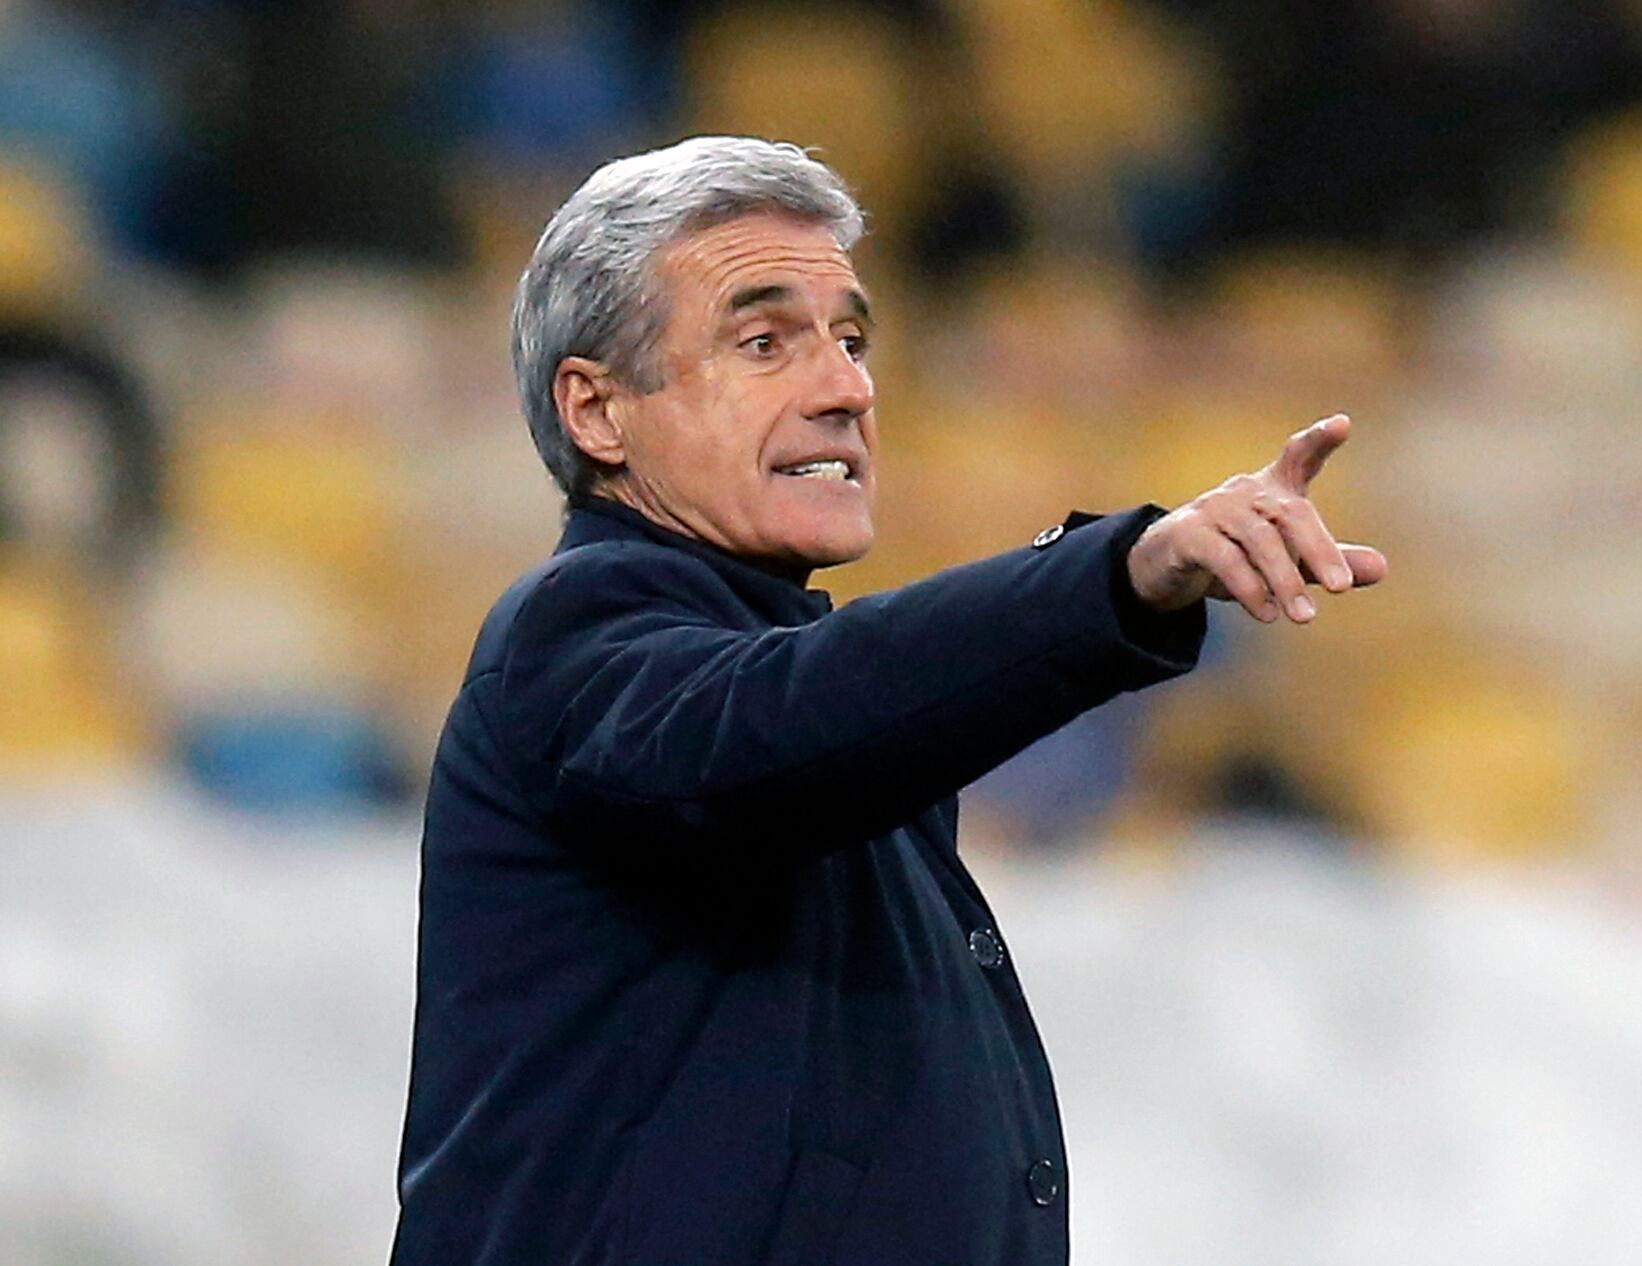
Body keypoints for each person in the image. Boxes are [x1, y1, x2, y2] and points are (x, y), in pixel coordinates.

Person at [389, 136, 1384, 1266]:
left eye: (852, 341)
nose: (847, 390)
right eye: (764, 343)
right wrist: (1115, 574)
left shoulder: (820, 710)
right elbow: (780, 721)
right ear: (598, 412)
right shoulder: (576, 633)